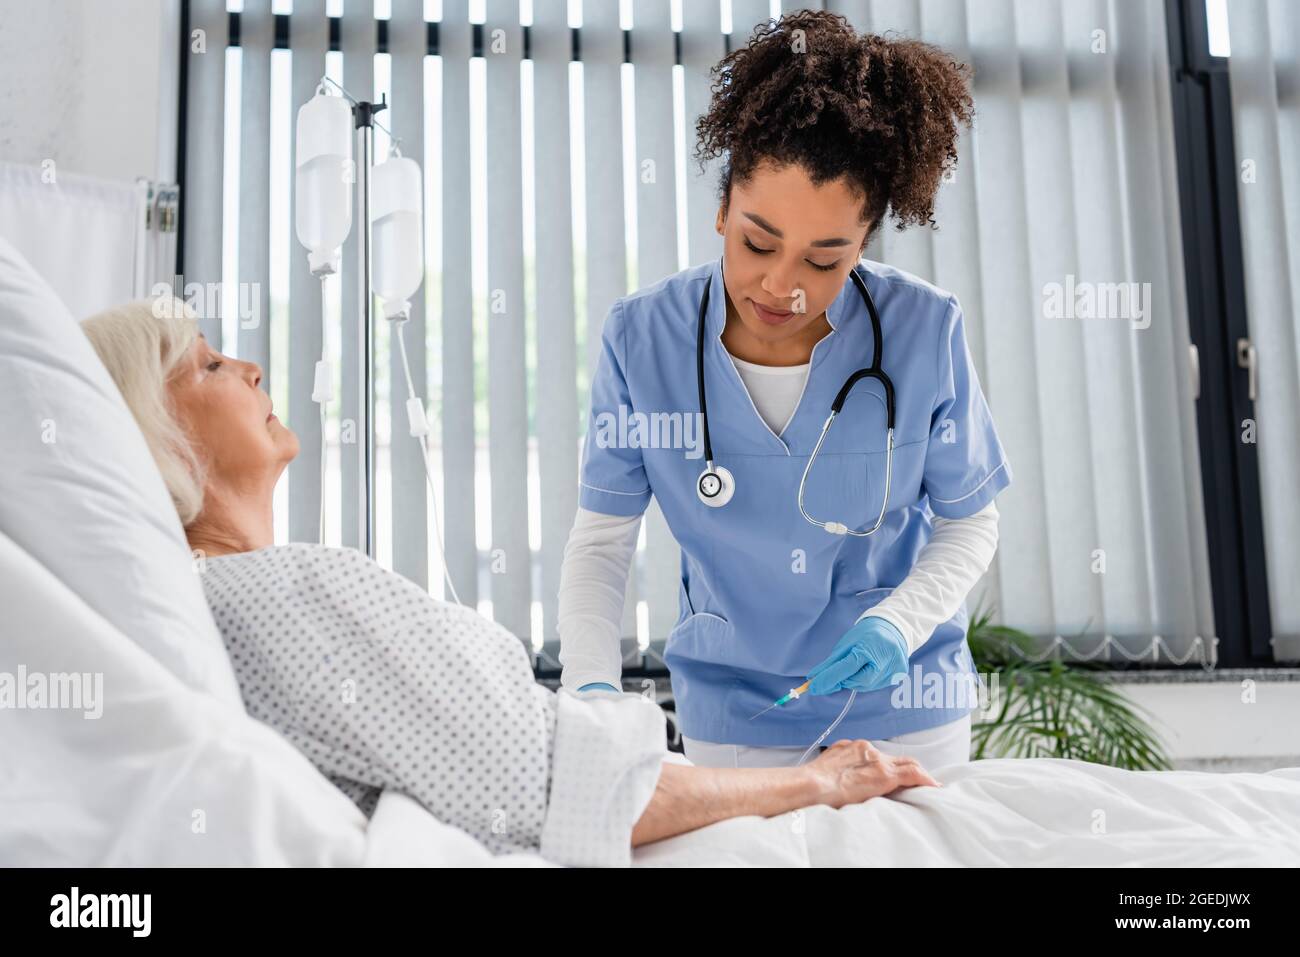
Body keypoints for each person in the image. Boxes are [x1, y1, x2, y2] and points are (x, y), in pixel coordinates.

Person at [79, 296, 941, 867]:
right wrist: (817, 780)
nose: (251, 368)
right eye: (208, 366)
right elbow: (586, 786)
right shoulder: (279, 594)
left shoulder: (210, 607)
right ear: (151, 434)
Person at [558, 10, 1010, 769]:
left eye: (824, 260)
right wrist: (594, 689)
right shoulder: (643, 340)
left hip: (905, 706)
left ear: (864, 243)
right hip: (733, 709)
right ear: (723, 208)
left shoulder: (923, 331)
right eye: (757, 241)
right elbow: (604, 544)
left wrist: (897, 626)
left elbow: (970, 521)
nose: (781, 286)